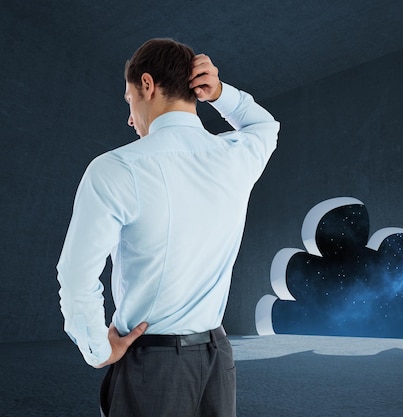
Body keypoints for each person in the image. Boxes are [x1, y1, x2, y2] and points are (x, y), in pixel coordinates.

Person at [56, 38, 279, 416]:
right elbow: (264, 125)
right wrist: (221, 94)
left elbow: (76, 276)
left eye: (129, 100)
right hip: (218, 361)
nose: (130, 117)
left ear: (147, 85)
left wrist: (98, 348)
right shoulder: (235, 156)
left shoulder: (117, 167)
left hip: (152, 365)